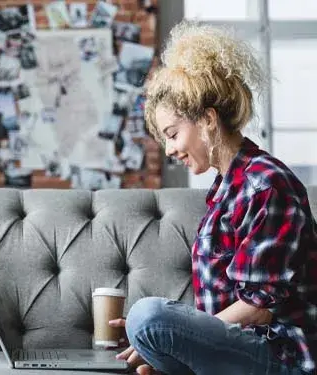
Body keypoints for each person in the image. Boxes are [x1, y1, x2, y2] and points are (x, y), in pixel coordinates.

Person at [108, 21, 317, 375]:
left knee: (148, 317)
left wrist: (176, 332)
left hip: (283, 357)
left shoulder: (266, 185)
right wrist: (178, 336)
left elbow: (258, 309)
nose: (171, 149)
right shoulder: (225, 190)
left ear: (206, 119)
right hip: (241, 349)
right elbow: (220, 311)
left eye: (173, 134)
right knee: (144, 328)